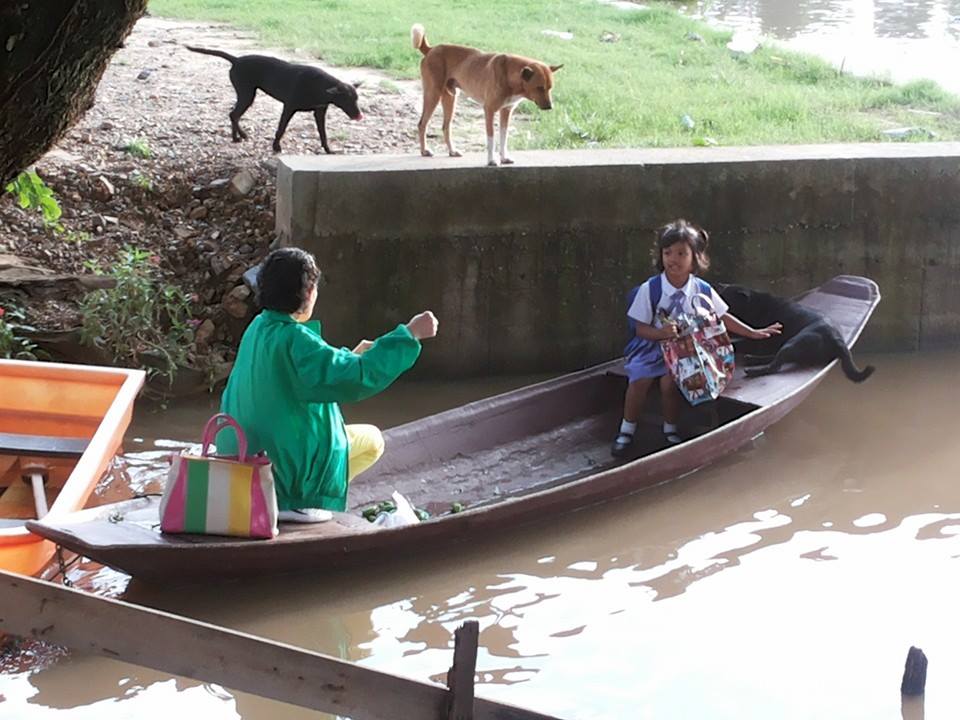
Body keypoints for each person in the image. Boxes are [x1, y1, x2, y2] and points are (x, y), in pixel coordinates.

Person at [217, 247, 439, 522]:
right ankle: (308, 501)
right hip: (284, 480)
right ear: (308, 293)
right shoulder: (296, 338)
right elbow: (359, 377)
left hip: (243, 463)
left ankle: (301, 498)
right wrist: (410, 334)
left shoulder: (258, 327)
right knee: (373, 440)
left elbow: (309, 370)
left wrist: (351, 355)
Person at [612, 219, 782, 457]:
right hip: (652, 347)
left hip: (687, 351)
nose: (673, 259)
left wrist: (753, 332)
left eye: (682, 253)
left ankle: (670, 429)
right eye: (668, 252)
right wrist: (660, 334)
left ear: (695, 258)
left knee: (670, 383)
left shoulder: (701, 289)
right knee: (639, 380)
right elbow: (640, 328)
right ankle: (626, 430)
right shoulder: (650, 289)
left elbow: (722, 317)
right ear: (660, 256)